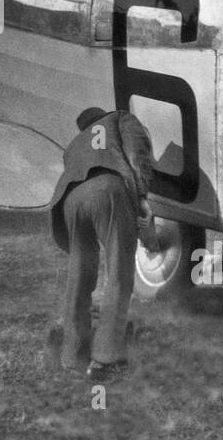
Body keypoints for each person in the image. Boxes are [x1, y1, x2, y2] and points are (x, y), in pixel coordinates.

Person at [50, 106, 158, 381]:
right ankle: (106, 359)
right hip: (108, 191)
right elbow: (137, 153)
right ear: (102, 116)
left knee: (79, 278)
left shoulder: (75, 144)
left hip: (69, 201)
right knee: (119, 275)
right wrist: (142, 196)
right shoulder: (121, 119)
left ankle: (72, 356)